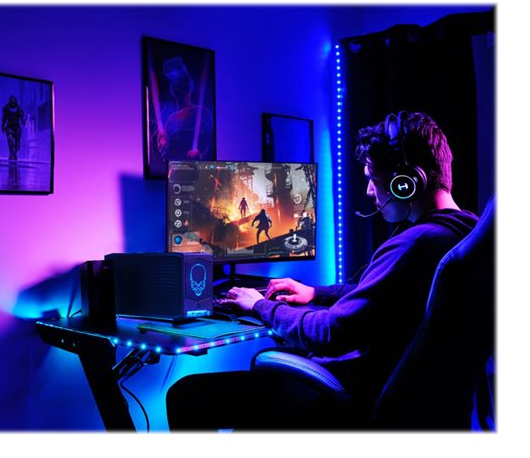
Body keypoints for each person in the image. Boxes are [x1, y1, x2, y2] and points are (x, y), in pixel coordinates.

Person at [166, 111, 479, 431]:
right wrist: (315, 292)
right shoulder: (466, 236)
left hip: (357, 401)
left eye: (373, 178)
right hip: (418, 405)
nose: (369, 191)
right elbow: (388, 294)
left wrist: (259, 305)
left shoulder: (416, 244)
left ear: (406, 183)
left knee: (186, 395)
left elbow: (330, 333)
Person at [156, 57, 214, 161]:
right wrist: (163, 145)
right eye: (175, 84)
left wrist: (200, 158)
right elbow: (166, 156)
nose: (176, 86)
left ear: (189, 87)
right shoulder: (171, 120)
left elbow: (212, 145)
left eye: (180, 83)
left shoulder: (202, 113)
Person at [2, 95, 25, 161]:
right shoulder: (6, 108)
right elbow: (4, 118)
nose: (13, 102)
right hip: (9, 126)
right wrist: (3, 126)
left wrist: (22, 120)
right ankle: (11, 153)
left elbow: (21, 115)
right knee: (10, 141)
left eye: (14, 101)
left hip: (16, 127)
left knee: (17, 143)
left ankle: (14, 153)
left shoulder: (18, 108)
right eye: (12, 101)